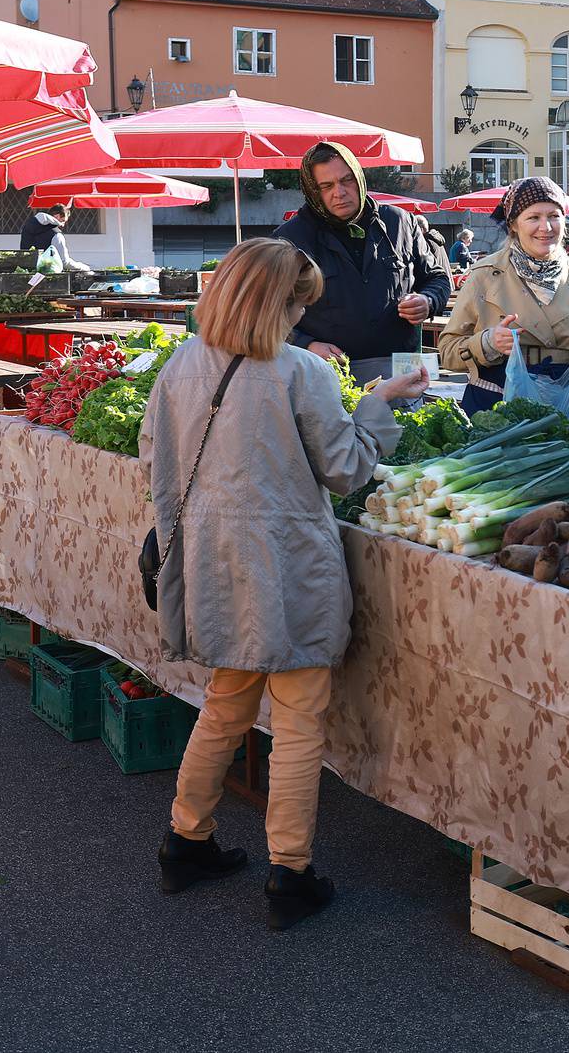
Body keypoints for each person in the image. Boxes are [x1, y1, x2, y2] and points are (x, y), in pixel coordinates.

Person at [142, 238, 426, 932]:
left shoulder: (179, 364)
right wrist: (382, 402)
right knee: (298, 725)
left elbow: (155, 457)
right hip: (286, 565)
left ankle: (186, 840)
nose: (304, 312)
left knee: (224, 704)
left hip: (211, 560)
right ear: (279, 302)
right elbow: (349, 470)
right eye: (300, 301)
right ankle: (289, 874)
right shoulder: (301, 372)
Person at [437, 176, 569, 418]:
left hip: (567, 410)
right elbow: (448, 351)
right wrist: (487, 343)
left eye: (554, 216)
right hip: (494, 411)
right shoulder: (484, 275)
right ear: (513, 224)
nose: (545, 228)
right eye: (533, 217)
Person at [274, 141, 452, 385]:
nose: (339, 192)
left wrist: (428, 300)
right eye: (327, 186)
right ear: (313, 191)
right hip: (327, 374)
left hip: (400, 368)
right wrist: (305, 344)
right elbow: (264, 312)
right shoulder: (289, 240)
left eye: (346, 180)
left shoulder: (399, 222)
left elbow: (438, 277)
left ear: (359, 179)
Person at [18, 204, 92, 273]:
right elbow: (64, 262)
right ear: (57, 216)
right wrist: (84, 267)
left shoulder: (27, 227)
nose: (63, 225)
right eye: (63, 221)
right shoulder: (56, 234)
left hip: (26, 273)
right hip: (48, 277)